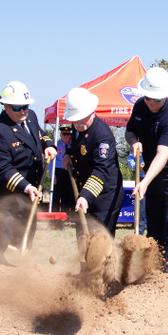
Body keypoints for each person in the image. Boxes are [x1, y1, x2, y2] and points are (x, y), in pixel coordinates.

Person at [126, 67, 168, 273]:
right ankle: (152, 269)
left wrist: (144, 181)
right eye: (148, 98)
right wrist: (133, 142)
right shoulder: (140, 106)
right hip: (153, 179)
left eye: (156, 99)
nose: (151, 103)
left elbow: (162, 156)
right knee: (153, 226)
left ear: (165, 96)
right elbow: (129, 131)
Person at [0, 81, 57, 264]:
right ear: (5, 106)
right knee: (7, 247)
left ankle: (22, 279)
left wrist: (48, 145)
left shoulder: (30, 116)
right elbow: (1, 168)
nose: (23, 111)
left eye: (26, 106)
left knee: (26, 238)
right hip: (10, 197)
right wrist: (26, 187)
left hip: (30, 193)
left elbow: (41, 133)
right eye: (18, 108)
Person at [63, 87, 124, 234]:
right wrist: (68, 154)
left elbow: (101, 170)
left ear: (91, 111)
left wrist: (85, 196)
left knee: (99, 243)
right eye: (74, 119)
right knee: (83, 239)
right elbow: (76, 146)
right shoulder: (77, 125)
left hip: (104, 196)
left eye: (80, 118)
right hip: (83, 192)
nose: (77, 123)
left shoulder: (102, 136)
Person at [52, 124, 75, 218]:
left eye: (68, 134)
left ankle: (64, 218)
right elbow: (51, 163)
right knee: (56, 197)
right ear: (60, 135)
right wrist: (53, 176)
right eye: (64, 134)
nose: (66, 136)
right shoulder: (56, 145)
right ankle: (55, 220)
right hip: (58, 172)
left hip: (69, 172)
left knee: (66, 196)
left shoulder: (72, 146)